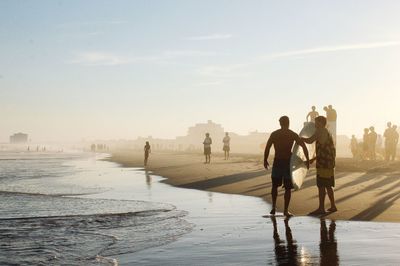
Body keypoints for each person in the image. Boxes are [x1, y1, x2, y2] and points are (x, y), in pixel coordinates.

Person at [264, 116, 309, 217]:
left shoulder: (275, 134)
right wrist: (307, 160)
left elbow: (267, 147)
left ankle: (273, 207)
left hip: (277, 162)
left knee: (274, 186)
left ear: (280, 123)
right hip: (288, 163)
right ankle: (285, 210)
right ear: (288, 123)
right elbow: (303, 145)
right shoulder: (292, 134)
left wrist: (265, 160)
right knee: (288, 188)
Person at [302, 116, 337, 215]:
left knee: (321, 186)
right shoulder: (328, 132)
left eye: (316, 122)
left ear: (321, 123)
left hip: (323, 164)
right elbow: (325, 149)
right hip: (329, 163)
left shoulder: (320, 131)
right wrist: (313, 159)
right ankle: (333, 206)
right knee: (329, 185)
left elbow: (309, 140)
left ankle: (321, 208)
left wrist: (300, 138)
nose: (315, 124)